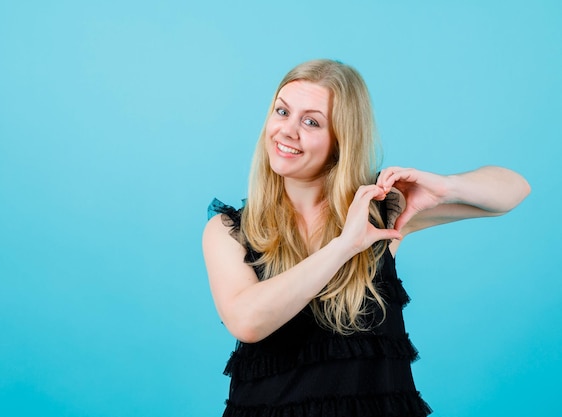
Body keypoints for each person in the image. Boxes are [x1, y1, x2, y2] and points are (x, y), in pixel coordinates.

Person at [202, 59, 530, 417]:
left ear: (341, 140)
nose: (287, 131)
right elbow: (247, 322)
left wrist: (445, 186)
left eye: (311, 121)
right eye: (282, 111)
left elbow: (513, 191)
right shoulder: (228, 230)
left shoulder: (379, 209)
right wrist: (344, 245)